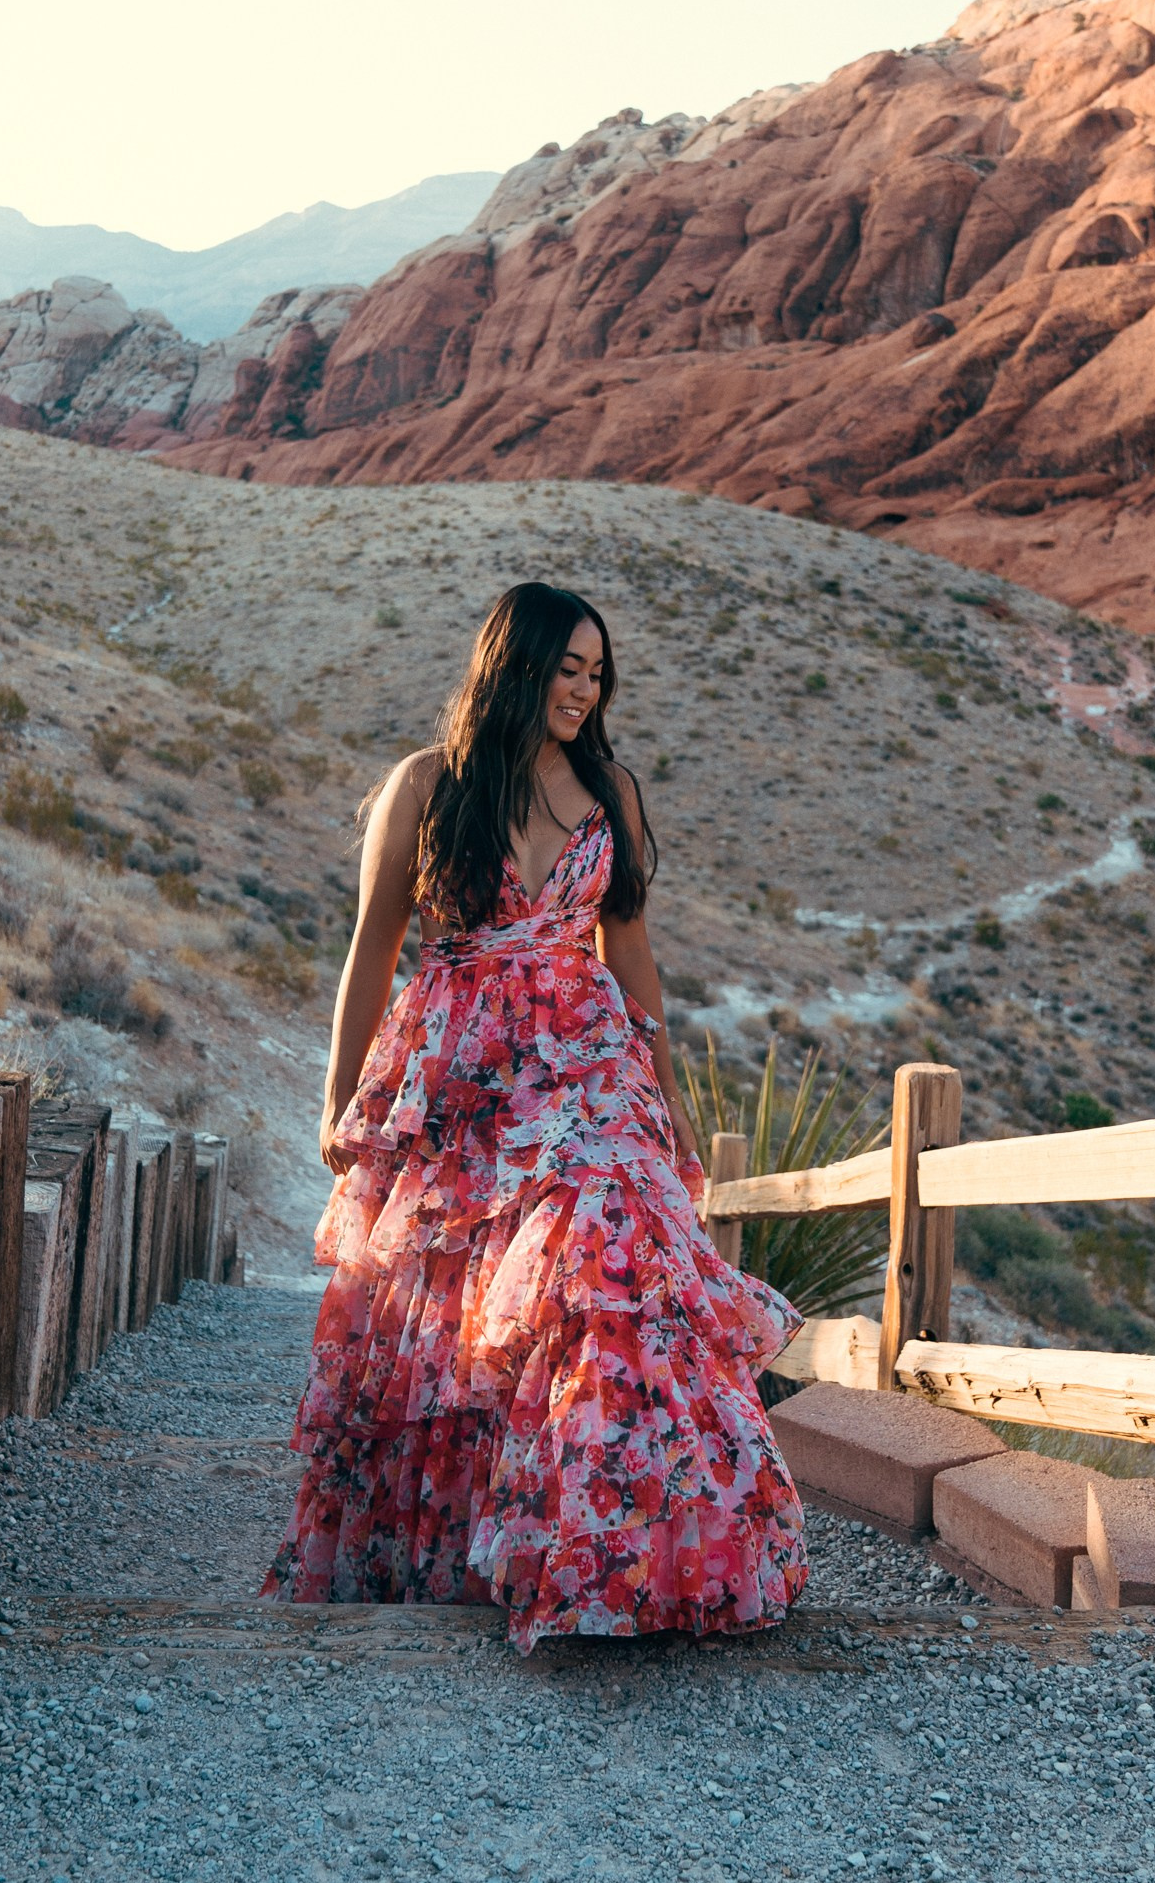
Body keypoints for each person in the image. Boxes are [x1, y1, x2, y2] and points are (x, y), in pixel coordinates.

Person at [264, 580, 808, 1652]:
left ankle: (629, 1550)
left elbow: (630, 951)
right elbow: (372, 949)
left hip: (587, 1057)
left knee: (607, 1248)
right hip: (460, 1065)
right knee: (453, 1300)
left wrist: (667, 1097)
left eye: (598, 674)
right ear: (514, 665)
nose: (585, 691)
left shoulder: (610, 790)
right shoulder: (426, 786)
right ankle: (470, 1546)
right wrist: (339, 1100)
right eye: (568, 669)